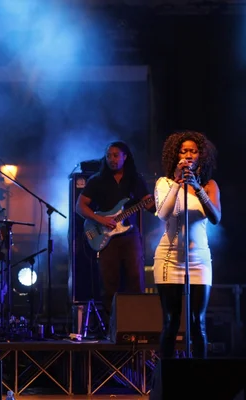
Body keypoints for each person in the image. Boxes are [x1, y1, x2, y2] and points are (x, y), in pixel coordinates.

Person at [153, 130, 221, 358]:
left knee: (198, 323)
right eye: (184, 151)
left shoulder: (210, 185)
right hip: (169, 259)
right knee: (171, 322)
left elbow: (216, 217)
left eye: (194, 151)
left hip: (200, 261)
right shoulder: (164, 183)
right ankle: (168, 383)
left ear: (201, 155)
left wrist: (197, 188)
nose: (189, 155)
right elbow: (163, 214)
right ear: (176, 155)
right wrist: (178, 182)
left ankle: (199, 382)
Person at [75, 140, 155, 320]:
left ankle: (137, 325)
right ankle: (112, 328)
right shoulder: (97, 180)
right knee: (110, 284)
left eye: (116, 155)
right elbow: (80, 207)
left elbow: (150, 204)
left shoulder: (135, 179)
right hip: (106, 239)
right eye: (109, 155)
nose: (112, 159)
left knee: (136, 280)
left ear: (125, 157)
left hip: (130, 236)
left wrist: (161, 201)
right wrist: (100, 219)